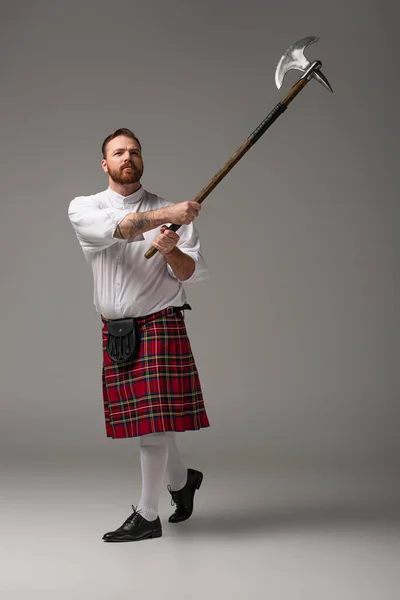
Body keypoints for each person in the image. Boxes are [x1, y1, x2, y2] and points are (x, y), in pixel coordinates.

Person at [68, 128, 210, 542]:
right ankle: (183, 480)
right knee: (154, 420)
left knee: (152, 423)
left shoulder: (170, 212)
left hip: (159, 320)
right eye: (118, 152)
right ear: (104, 163)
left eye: (134, 151)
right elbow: (124, 228)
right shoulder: (85, 208)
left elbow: (191, 274)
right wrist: (167, 217)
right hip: (115, 328)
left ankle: (148, 515)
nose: (127, 157)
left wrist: (171, 249)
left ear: (142, 158)